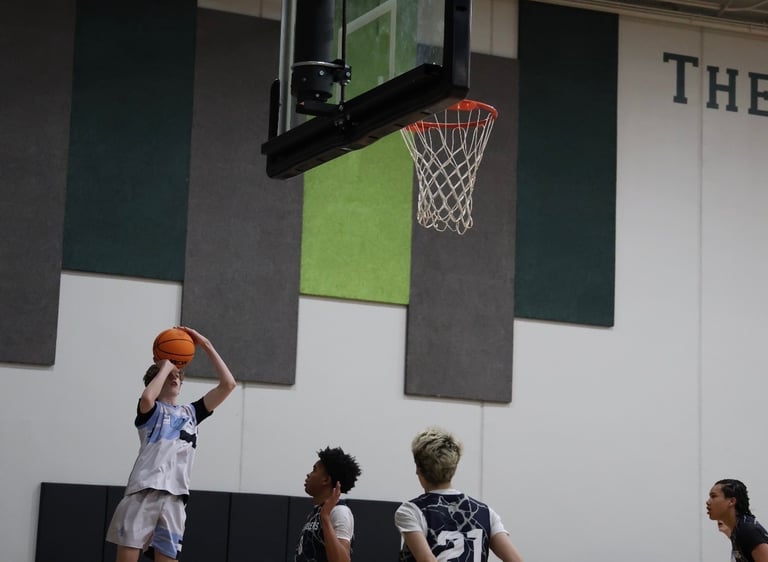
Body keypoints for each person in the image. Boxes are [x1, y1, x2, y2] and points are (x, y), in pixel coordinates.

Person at [106, 326, 237, 562]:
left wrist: (206, 344)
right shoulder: (151, 411)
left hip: (175, 498)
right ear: (157, 380)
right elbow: (147, 396)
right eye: (169, 375)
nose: (175, 377)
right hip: (143, 492)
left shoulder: (192, 413)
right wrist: (166, 364)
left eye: (178, 375)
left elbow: (228, 384)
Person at [395, 427, 524, 562]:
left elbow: (427, 559)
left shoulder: (410, 511)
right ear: (454, 467)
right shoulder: (485, 513)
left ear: (418, 469)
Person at [295, 446, 362, 562]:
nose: (308, 474)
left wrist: (325, 517)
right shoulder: (316, 512)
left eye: (314, 470)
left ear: (326, 480)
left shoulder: (339, 511)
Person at [707, 479, 768, 562]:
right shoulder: (737, 530)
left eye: (713, 496)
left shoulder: (747, 530)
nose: (708, 502)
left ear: (732, 501)